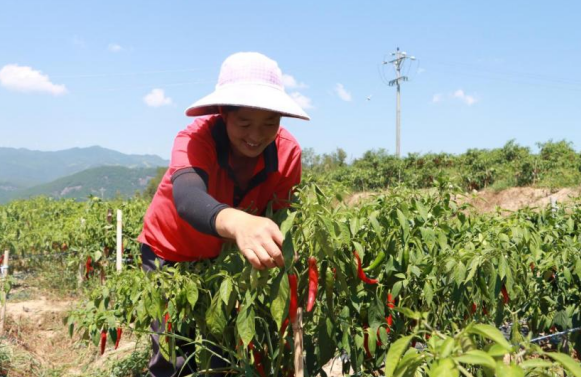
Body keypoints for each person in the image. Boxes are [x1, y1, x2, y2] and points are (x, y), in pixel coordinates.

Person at [137, 52, 310, 377]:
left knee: (224, 347)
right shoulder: (194, 139)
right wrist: (240, 222)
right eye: (244, 123)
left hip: (226, 256)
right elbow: (188, 199)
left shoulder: (288, 153)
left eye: (269, 123)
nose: (256, 135)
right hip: (168, 250)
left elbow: (282, 214)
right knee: (173, 349)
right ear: (223, 115)